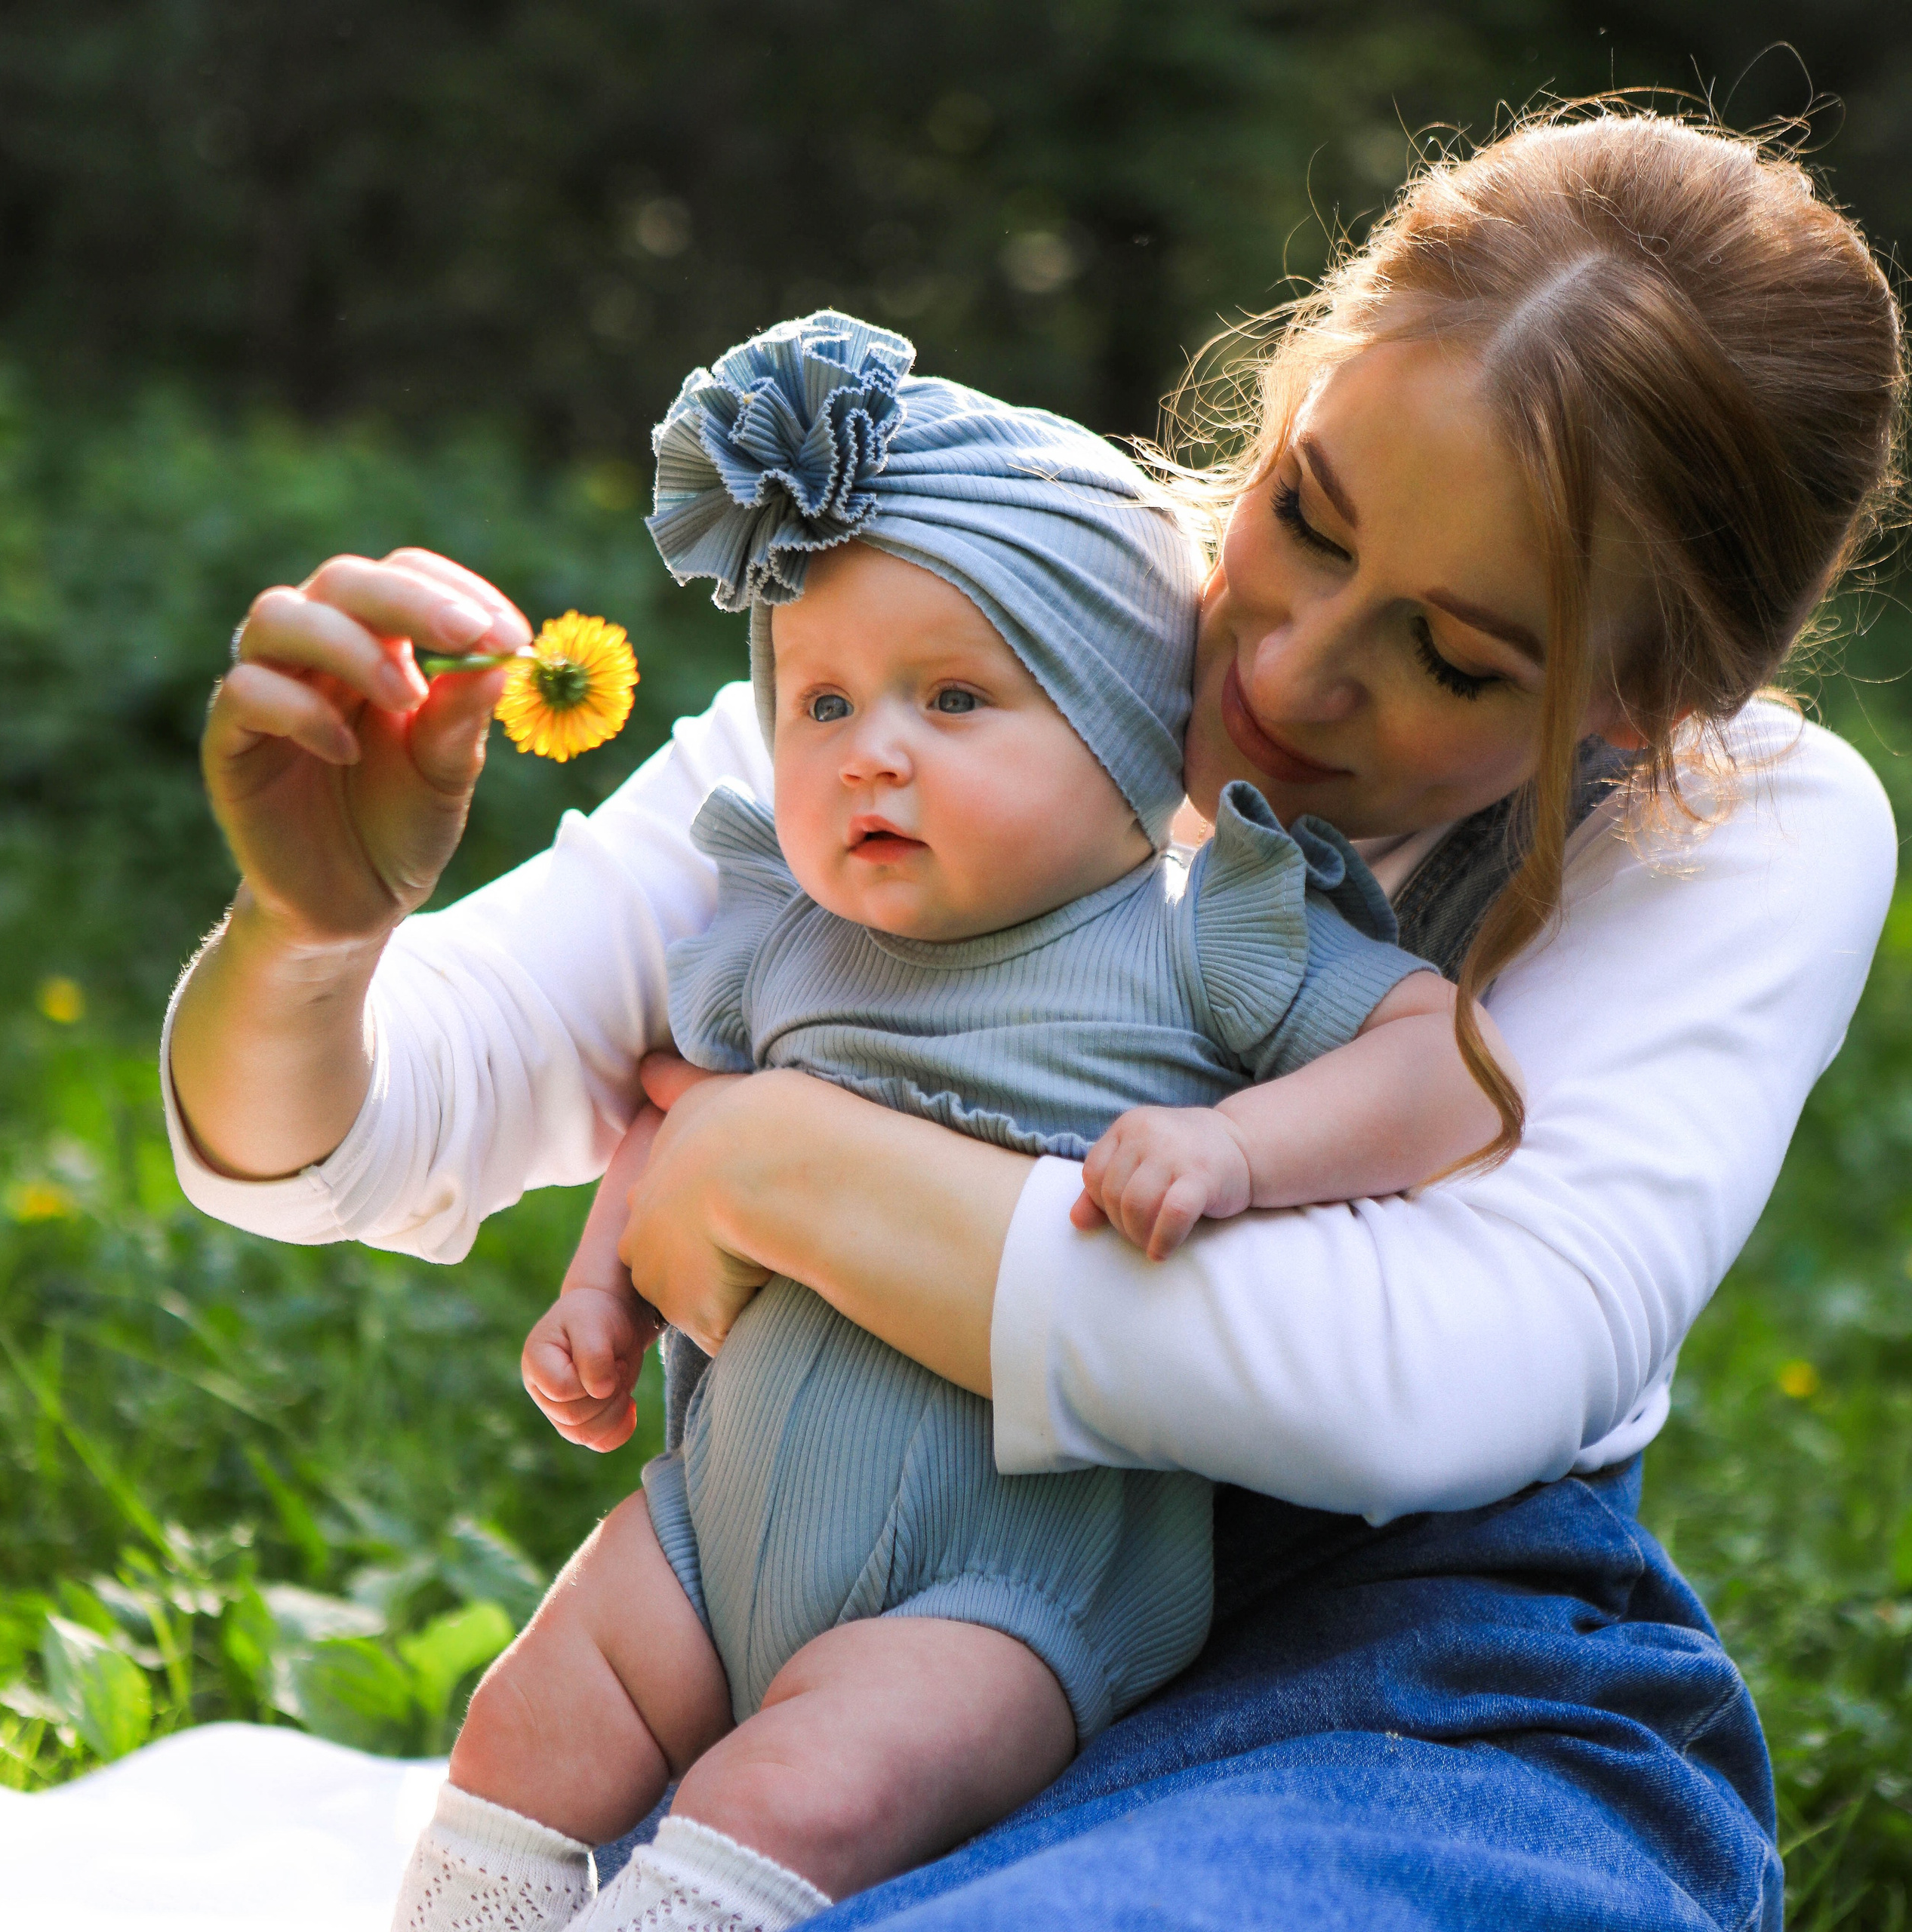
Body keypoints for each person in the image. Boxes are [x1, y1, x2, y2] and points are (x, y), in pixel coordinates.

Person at [165, 106, 1903, 1929]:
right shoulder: (985, 619)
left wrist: (773, 1158)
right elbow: (367, 1127)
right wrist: (308, 941)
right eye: (1302, 515)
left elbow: (1434, 1371)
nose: (1291, 667)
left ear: (1647, 701)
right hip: (859, 1613)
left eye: (1457, 655)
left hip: (1392, 1691)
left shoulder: (1736, 826)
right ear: (1299, 379)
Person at [422, 311, 1510, 1932]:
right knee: (528, 1711)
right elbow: (682, 1129)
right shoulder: (783, 937)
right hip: (712, 1533)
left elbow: (1440, 1068)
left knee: (796, 1792)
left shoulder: (1197, 935)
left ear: (1123, 736)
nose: (873, 753)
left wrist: (1240, 1148)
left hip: (1006, 1589)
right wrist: (598, 1285)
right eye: (822, 704)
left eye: (951, 697)